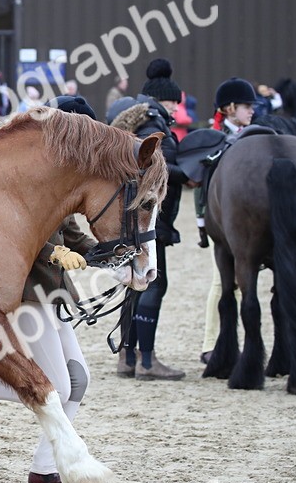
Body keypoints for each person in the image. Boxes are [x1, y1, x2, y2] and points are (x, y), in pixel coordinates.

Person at [0, 96, 100, 483]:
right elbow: (7, 230)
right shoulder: (26, 174)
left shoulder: (63, 180)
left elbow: (73, 235)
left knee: (78, 381)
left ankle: (43, 467)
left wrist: (113, 255)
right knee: (57, 386)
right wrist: (52, 252)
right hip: (27, 291)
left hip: (55, 292)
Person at [110, 59, 190, 380]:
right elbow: (153, 167)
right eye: (173, 102)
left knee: (135, 285)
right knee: (153, 283)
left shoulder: (139, 118)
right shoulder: (152, 124)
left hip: (132, 216)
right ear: (162, 100)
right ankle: (146, 360)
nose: (176, 108)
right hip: (148, 219)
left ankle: (127, 357)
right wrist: (190, 173)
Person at [194, 79, 257, 362]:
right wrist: (201, 220)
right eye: (246, 106)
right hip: (220, 221)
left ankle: (236, 344)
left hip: (248, 222)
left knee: (243, 286)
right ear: (230, 108)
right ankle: (210, 344)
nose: (251, 110)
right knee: (221, 283)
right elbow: (202, 184)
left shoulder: (253, 138)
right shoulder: (215, 137)